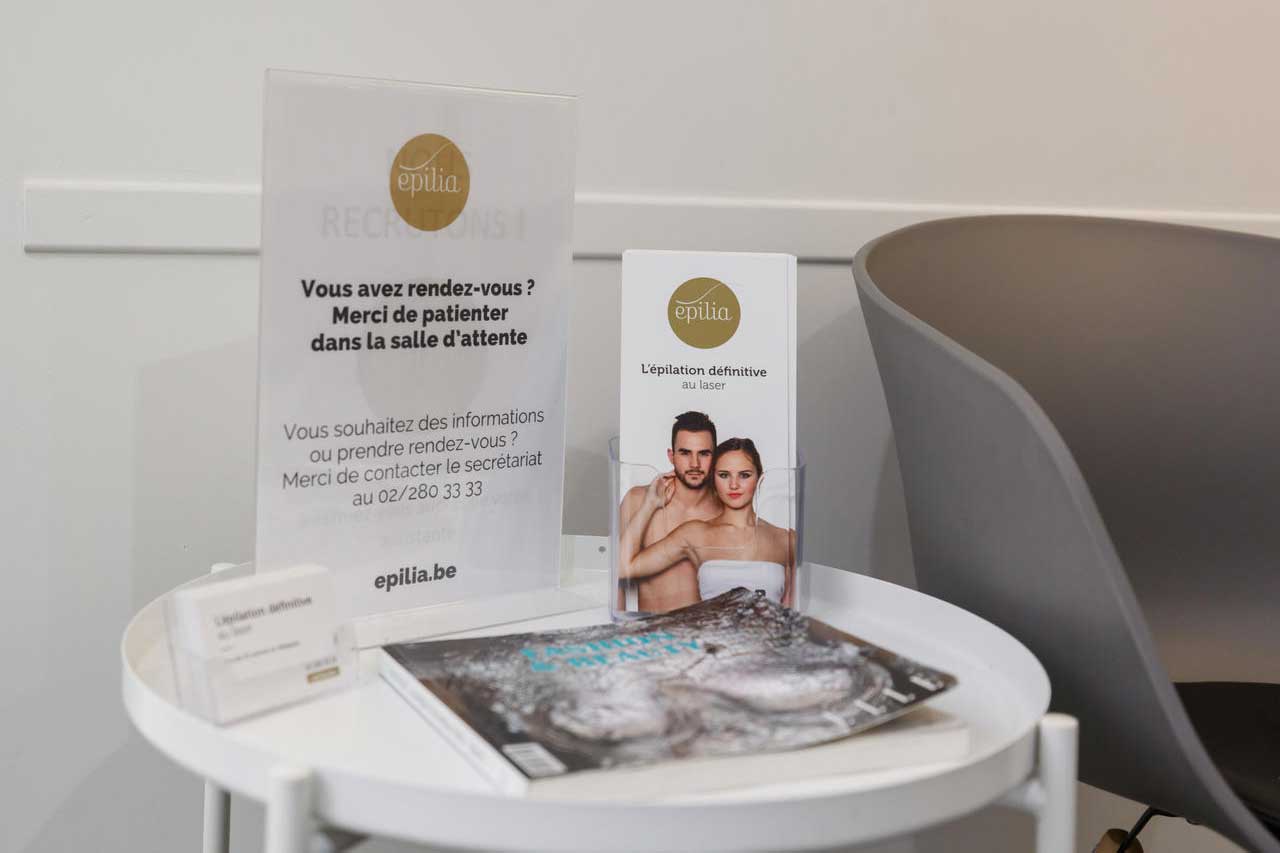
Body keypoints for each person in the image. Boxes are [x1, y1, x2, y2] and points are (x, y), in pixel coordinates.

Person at [622, 437, 796, 607]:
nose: (734, 485)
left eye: (744, 475)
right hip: (709, 626)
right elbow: (624, 568)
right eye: (724, 475)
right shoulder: (694, 534)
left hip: (770, 627)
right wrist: (649, 504)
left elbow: (792, 611)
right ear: (713, 479)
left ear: (759, 478)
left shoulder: (786, 539)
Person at [617, 411, 722, 613]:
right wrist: (650, 506)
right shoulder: (637, 500)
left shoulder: (724, 510)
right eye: (685, 453)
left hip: (706, 628)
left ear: (715, 456)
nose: (695, 464)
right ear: (671, 456)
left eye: (704, 453)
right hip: (652, 627)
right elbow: (617, 580)